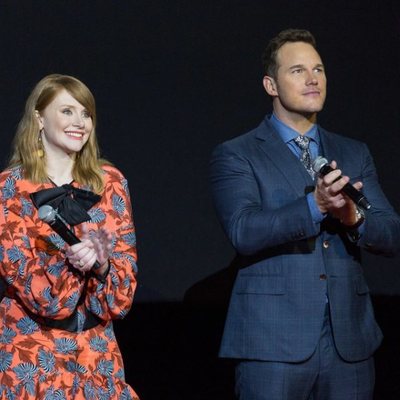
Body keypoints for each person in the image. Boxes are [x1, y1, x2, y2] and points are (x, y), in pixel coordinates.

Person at [209, 29, 400, 400]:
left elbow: (391, 232)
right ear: (271, 85)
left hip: (350, 343)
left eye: (319, 69)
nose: (313, 78)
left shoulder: (353, 151)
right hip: (273, 342)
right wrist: (317, 205)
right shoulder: (238, 153)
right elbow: (243, 230)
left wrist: (352, 219)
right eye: (297, 70)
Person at [0, 74, 139, 399]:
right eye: (67, 111)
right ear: (39, 118)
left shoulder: (110, 183)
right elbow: (46, 299)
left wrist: (103, 266)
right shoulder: (10, 190)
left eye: (86, 113)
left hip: (96, 357)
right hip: (33, 356)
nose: (80, 122)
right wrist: (72, 260)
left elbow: (121, 298)